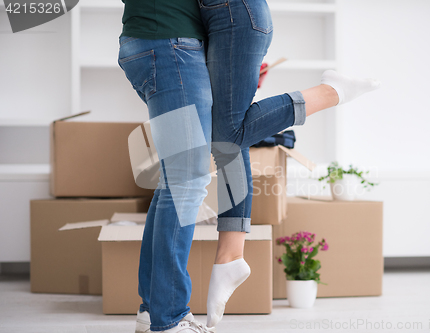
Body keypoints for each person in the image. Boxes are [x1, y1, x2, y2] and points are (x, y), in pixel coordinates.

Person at [118, 0, 380, 332]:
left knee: (179, 178)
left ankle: (153, 309)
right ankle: (169, 318)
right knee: (189, 177)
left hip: (154, 40)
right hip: (170, 43)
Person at [198, 0, 380, 328]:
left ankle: (331, 91)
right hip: (226, 18)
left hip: (233, 15)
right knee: (227, 140)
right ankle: (230, 256)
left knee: (228, 133)